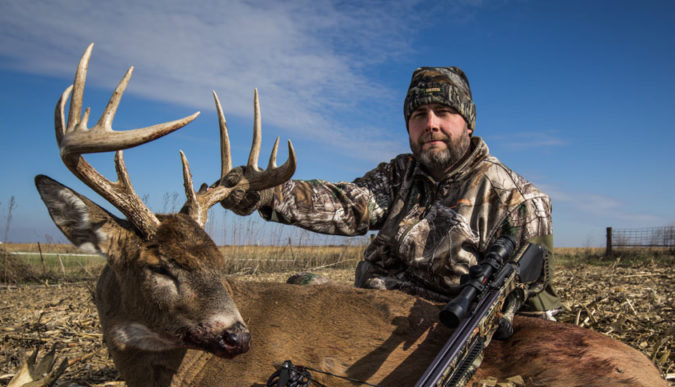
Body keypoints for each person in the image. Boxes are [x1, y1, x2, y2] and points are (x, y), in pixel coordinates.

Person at [221, 66, 562, 323]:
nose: (430, 124)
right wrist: (270, 194)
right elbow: (346, 203)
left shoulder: (520, 202)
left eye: (443, 112)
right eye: (418, 115)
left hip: (435, 331)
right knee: (299, 285)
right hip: (368, 309)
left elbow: (537, 312)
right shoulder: (399, 174)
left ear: (468, 123)